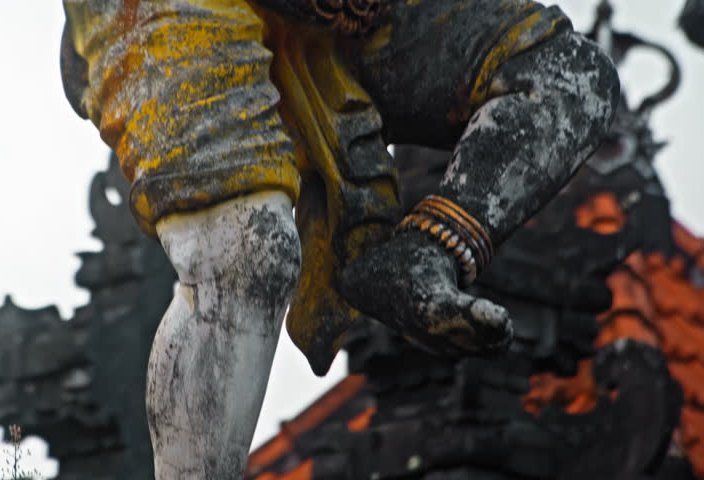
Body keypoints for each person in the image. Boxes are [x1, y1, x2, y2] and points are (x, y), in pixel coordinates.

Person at [59, 0, 619, 477]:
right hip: (185, 12)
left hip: (348, 16)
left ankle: (423, 253)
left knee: (569, 73)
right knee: (247, 255)